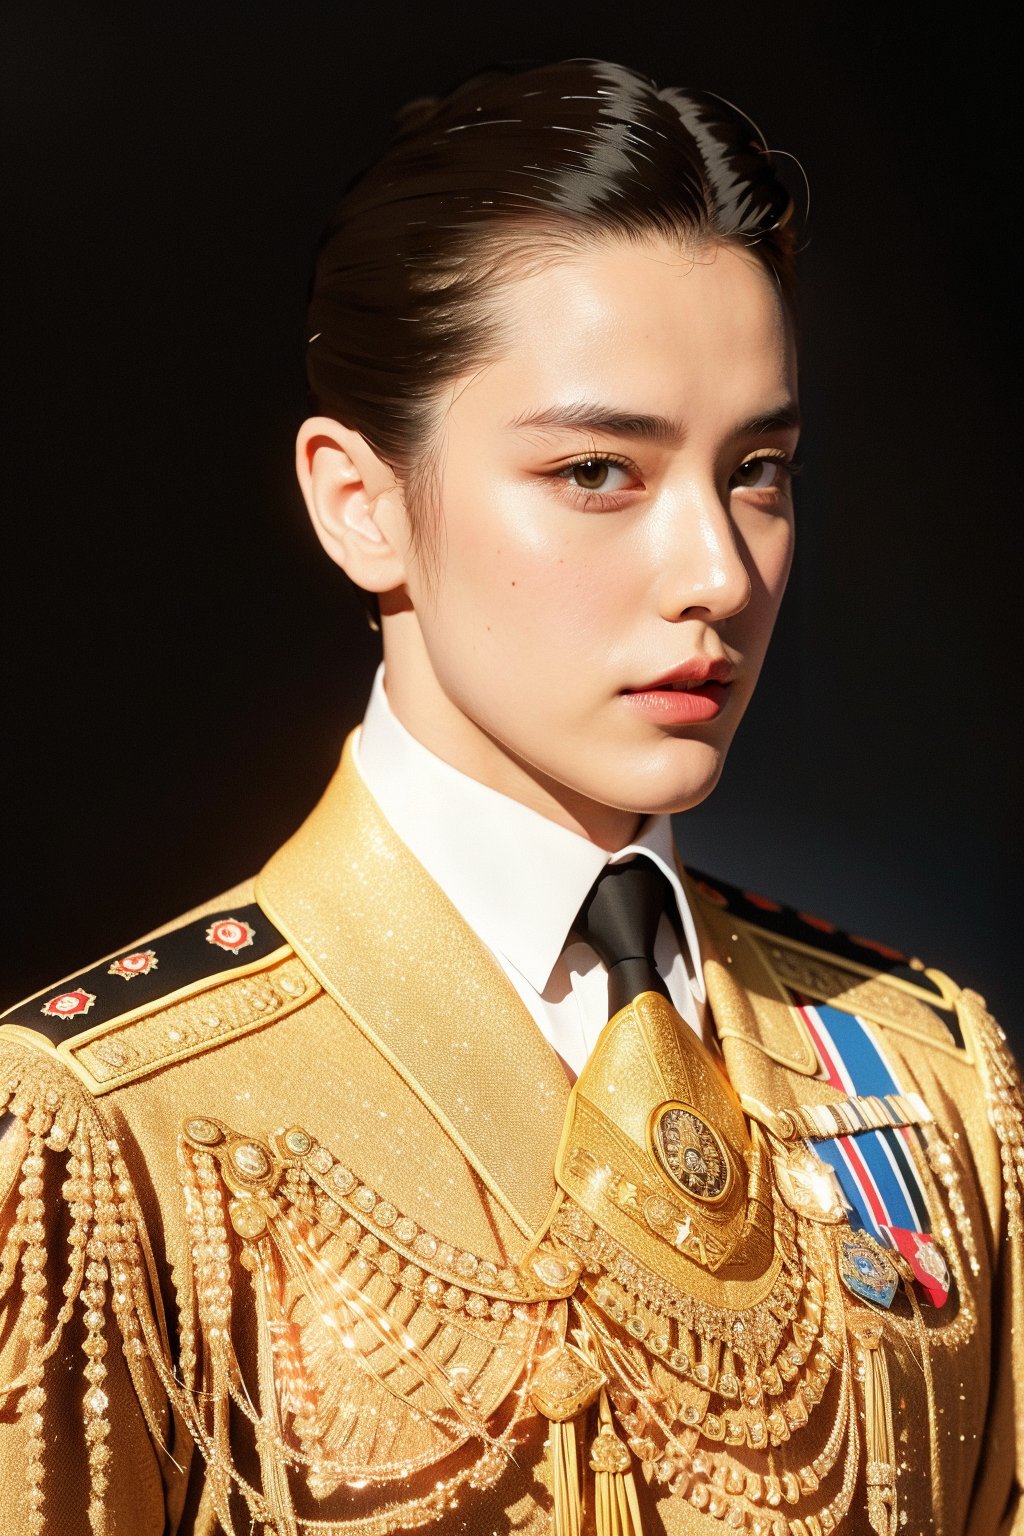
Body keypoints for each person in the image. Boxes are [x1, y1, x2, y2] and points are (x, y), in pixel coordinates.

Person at [0, 57, 1021, 1536]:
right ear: (360, 501)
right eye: (599, 469)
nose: (718, 576)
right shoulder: (107, 1138)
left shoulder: (924, 1087)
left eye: (761, 471)